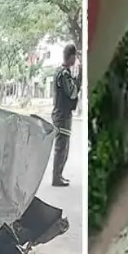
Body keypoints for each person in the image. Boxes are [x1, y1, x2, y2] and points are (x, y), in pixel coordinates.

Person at [51, 43, 81, 187]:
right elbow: (72, 93)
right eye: (75, 56)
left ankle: (58, 175)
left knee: (62, 146)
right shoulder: (64, 74)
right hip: (62, 115)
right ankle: (57, 177)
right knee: (62, 147)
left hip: (60, 114)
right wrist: (78, 79)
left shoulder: (59, 72)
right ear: (71, 57)